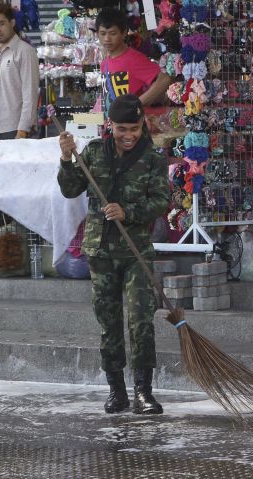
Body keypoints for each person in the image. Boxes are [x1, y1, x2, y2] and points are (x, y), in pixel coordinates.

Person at [57, 94, 170, 415]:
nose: (129, 135)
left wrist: (128, 212)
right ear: (110, 126)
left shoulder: (152, 158)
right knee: (109, 323)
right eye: (122, 128)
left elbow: (161, 201)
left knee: (140, 321)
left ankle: (143, 392)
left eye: (134, 128)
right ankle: (116, 390)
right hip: (101, 251)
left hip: (136, 252)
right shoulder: (93, 153)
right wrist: (66, 159)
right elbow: (69, 189)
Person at [0, 1, 39, 152]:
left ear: (12, 23)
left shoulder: (25, 51)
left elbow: (30, 94)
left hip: (14, 128)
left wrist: (23, 130)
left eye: (1, 24)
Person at [97, 8, 173, 109]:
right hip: (113, 122)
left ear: (124, 33)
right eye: (103, 33)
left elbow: (164, 79)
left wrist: (137, 105)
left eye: (113, 33)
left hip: (133, 123)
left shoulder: (133, 58)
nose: (107, 39)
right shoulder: (104, 63)